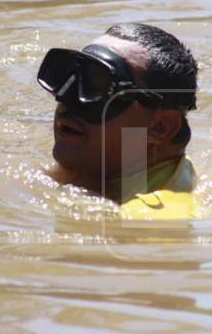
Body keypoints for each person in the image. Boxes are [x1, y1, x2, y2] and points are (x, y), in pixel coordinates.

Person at [37, 23, 199, 220]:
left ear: (158, 127)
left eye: (98, 85)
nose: (65, 99)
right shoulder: (118, 168)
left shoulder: (149, 219)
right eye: (70, 77)